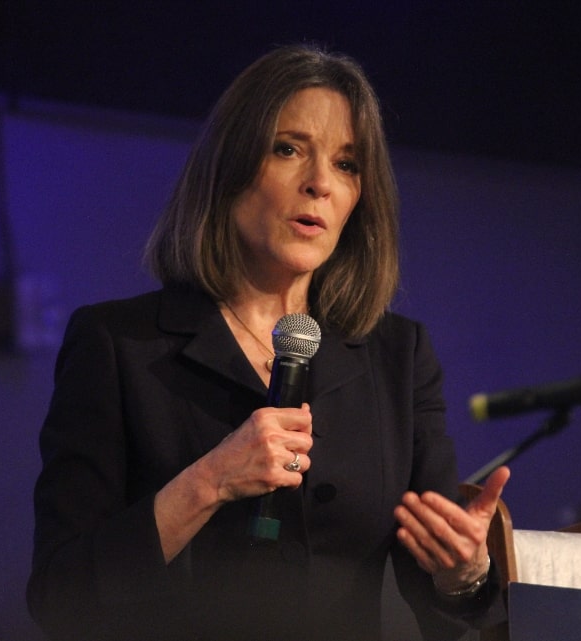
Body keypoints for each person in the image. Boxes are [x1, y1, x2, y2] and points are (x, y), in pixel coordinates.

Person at [27, 44, 510, 641]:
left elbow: (444, 604)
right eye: (288, 150)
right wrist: (209, 481)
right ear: (230, 168)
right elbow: (60, 598)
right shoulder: (118, 344)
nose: (319, 185)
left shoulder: (397, 356)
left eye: (347, 164)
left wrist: (464, 572)